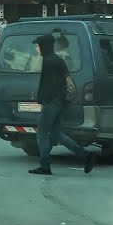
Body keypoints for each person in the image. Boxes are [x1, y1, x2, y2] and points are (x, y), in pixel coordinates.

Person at [30, 33, 97, 176]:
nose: (36, 49)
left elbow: (49, 86)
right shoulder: (58, 60)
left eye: (37, 46)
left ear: (44, 46)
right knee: (55, 133)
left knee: (42, 133)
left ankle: (45, 165)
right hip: (61, 102)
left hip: (52, 103)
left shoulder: (49, 61)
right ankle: (86, 155)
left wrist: (42, 101)